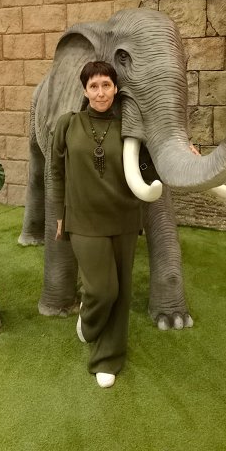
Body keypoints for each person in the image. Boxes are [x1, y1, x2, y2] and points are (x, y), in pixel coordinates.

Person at [51, 61, 141, 389]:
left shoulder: (129, 126)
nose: (100, 92)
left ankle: (107, 358)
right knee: (103, 290)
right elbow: (56, 171)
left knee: (122, 292)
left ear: (115, 88)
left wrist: (188, 151)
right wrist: (59, 214)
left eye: (106, 85)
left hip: (125, 218)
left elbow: (148, 167)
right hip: (83, 219)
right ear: (85, 90)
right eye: (94, 86)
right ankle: (88, 323)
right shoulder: (68, 124)